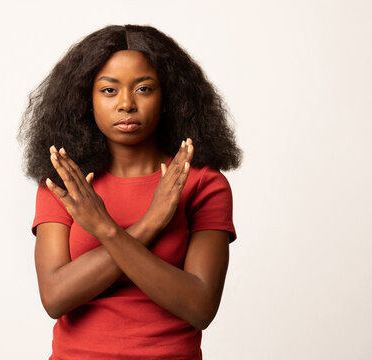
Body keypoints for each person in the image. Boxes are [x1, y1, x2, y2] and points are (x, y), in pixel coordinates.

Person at [18, 24, 242, 360]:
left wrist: (107, 231)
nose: (126, 104)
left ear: (167, 98)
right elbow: (55, 297)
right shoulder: (67, 183)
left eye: (144, 89)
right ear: (86, 100)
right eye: (109, 90)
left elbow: (200, 307)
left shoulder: (201, 184)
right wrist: (149, 223)